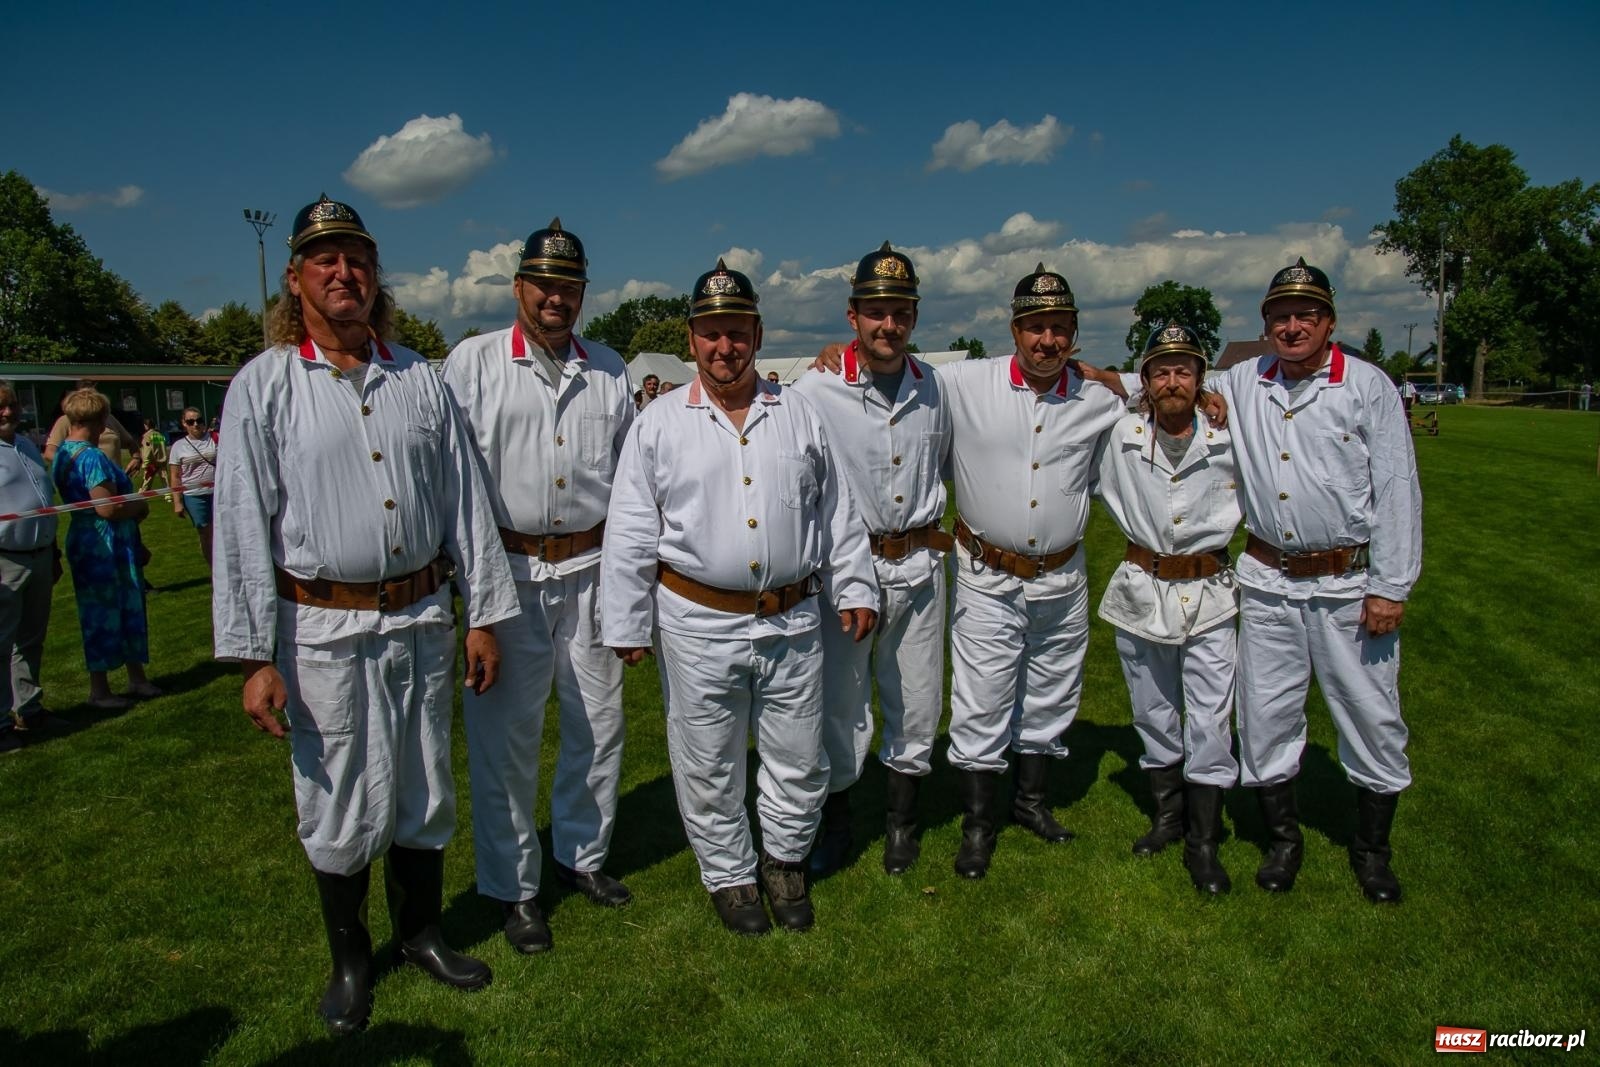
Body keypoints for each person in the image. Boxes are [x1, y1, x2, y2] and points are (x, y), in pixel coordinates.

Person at [212, 195, 520, 1035]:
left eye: (356, 258)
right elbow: (242, 522)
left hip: (420, 617)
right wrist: (252, 657)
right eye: (325, 259)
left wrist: (484, 612)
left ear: (375, 274)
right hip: (321, 629)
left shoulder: (417, 377)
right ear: (296, 276)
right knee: (339, 795)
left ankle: (422, 930)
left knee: (425, 779)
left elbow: (465, 502)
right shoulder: (266, 384)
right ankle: (351, 956)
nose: (343, 272)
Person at [602, 259, 878, 936]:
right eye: (711, 333)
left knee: (796, 748)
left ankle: (785, 860)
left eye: (737, 332)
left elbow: (836, 511)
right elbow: (632, 526)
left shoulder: (799, 414)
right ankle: (729, 873)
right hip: (698, 620)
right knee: (708, 755)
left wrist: (856, 582)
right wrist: (627, 620)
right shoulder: (661, 422)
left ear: (756, 332)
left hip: (792, 615)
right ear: (693, 338)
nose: (725, 347)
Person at [441, 218, 635, 959]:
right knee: (506, 740)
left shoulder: (611, 367)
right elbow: (455, 491)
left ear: (583, 293)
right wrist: (478, 605)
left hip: (591, 569)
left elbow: (633, 488)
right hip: (508, 574)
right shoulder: (473, 363)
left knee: (600, 725)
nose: (556, 297)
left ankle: (580, 855)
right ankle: (513, 887)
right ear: (518, 286)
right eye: (543, 284)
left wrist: (628, 593)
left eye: (569, 286)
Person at [1213, 258, 1422, 904]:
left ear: (1330, 322)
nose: (1293, 324)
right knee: (1265, 711)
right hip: (1269, 580)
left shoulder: (1367, 386)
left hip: (1347, 585)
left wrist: (1392, 585)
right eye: (1281, 315)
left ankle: (1372, 850)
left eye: (1306, 313)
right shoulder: (1244, 380)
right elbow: (1170, 377)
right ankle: (1284, 842)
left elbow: (1396, 489)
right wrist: (1092, 373)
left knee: (1370, 713)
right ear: (1266, 324)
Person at [933, 265, 1127, 878]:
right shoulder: (965, 382)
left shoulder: (1097, 399)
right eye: (1036, 327)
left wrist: (1134, 381)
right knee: (982, 696)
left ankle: (1031, 803)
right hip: (988, 573)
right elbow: (897, 380)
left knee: (1050, 693)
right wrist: (839, 355)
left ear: (1074, 334)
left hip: (1062, 578)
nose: (1048, 341)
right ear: (1014, 330)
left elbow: (1165, 388)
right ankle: (977, 824)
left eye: (1060, 329)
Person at [789, 243, 952, 877]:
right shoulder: (815, 389)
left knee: (916, 699)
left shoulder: (936, 386)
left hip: (919, 564)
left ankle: (902, 822)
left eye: (902, 313)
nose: (890, 325)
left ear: (914, 317)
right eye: (877, 311)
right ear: (853, 315)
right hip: (846, 571)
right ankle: (836, 821)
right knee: (840, 701)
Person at [1091, 324, 1241, 895]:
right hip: (1142, 587)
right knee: (1152, 711)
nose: (1172, 381)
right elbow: (1095, 387)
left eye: (1184, 371)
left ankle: (1204, 842)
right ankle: (1168, 818)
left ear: (1202, 378)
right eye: (1160, 371)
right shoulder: (1119, 433)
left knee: (1209, 715)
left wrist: (1215, 401)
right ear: (1146, 381)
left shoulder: (1232, 434)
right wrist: (1119, 382)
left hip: (1211, 592)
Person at [51, 388, 158, 710]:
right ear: (98, 420)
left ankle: (136, 676)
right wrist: (138, 504)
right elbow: (106, 508)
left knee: (121, 606)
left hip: (88, 539)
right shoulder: (92, 457)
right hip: (104, 544)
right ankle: (100, 689)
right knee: (105, 612)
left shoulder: (62, 454)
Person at [0, 381, 59, 737]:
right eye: (0, 407)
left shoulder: (26, 446)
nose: (8, 413)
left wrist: (53, 552)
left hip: (39, 555)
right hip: (5, 559)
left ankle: (28, 707)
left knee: (31, 639)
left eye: (11, 405)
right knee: (1, 642)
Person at [43, 383, 138, 474]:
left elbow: (130, 442)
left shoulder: (108, 418)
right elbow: (50, 452)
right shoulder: (67, 420)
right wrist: (77, 464)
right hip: (84, 480)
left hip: (114, 479)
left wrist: (136, 458)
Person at [167, 406, 217, 569]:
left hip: (218, 493)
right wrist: (177, 502)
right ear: (184, 424)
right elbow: (175, 476)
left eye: (199, 420)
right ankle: (214, 569)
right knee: (206, 533)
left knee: (223, 532)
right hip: (194, 495)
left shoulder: (215, 439)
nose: (196, 424)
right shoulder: (178, 446)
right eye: (191, 421)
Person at [137, 418, 168, 491]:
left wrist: (146, 463)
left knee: (147, 479)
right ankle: (168, 496)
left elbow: (147, 450)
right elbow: (162, 448)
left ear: (146, 426)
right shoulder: (160, 435)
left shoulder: (147, 436)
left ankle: (142, 494)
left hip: (152, 462)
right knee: (165, 480)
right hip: (161, 460)